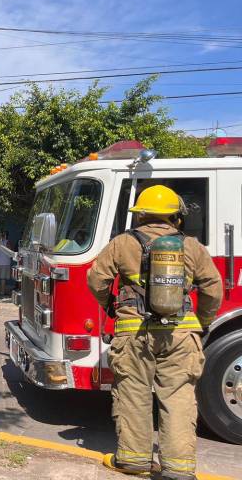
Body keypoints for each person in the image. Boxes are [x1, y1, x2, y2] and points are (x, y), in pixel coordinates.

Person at [87, 185, 222, 480]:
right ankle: (179, 469)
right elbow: (213, 288)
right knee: (178, 397)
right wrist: (202, 321)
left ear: (141, 215)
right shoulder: (192, 246)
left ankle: (134, 461)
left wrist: (112, 306)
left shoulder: (122, 243)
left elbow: (96, 278)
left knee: (134, 395)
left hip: (133, 333)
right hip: (181, 335)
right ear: (176, 217)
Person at [0, 230, 13, 296]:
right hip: (5, 262)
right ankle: (2, 291)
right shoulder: (8, 242)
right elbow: (10, 252)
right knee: (3, 278)